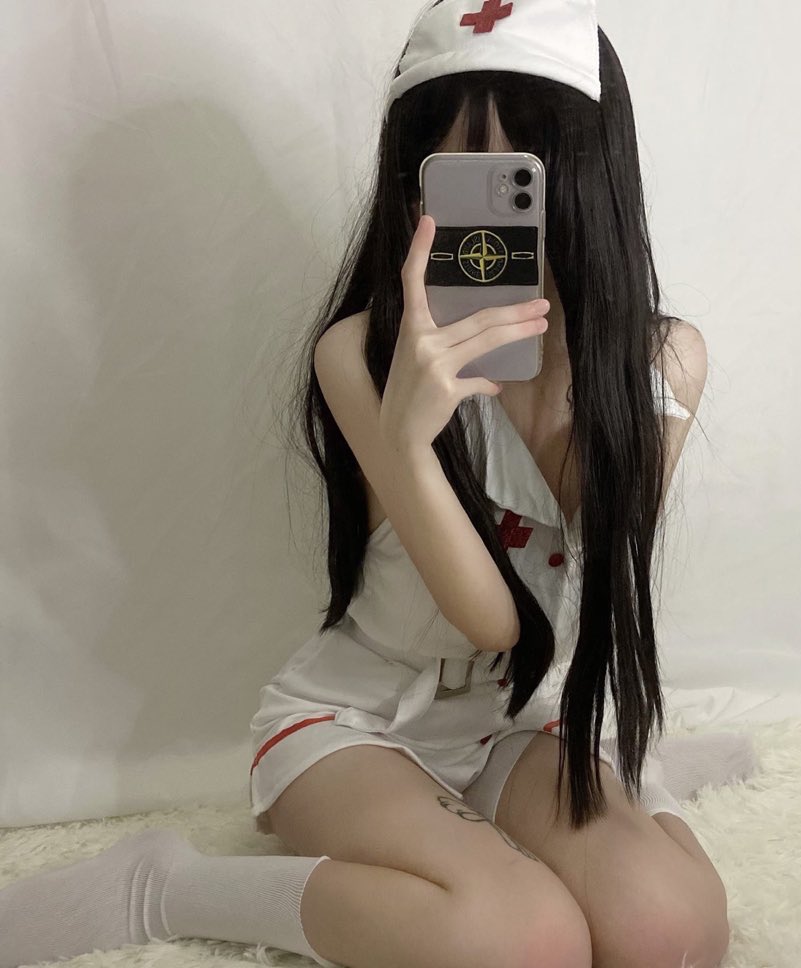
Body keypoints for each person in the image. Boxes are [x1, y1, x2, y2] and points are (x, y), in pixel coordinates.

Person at [0, 3, 757, 967]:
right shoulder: (360, 355)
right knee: (524, 943)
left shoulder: (658, 363)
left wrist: (581, 370)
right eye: (450, 175)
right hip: (360, 722)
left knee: (669, 931)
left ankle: (630, 772)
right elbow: (493, 620)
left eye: (519, 176)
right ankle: (163, 887)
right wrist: (406, 438)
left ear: (592, 171)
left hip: (526, 720)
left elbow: (586, 594)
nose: (485, 216)